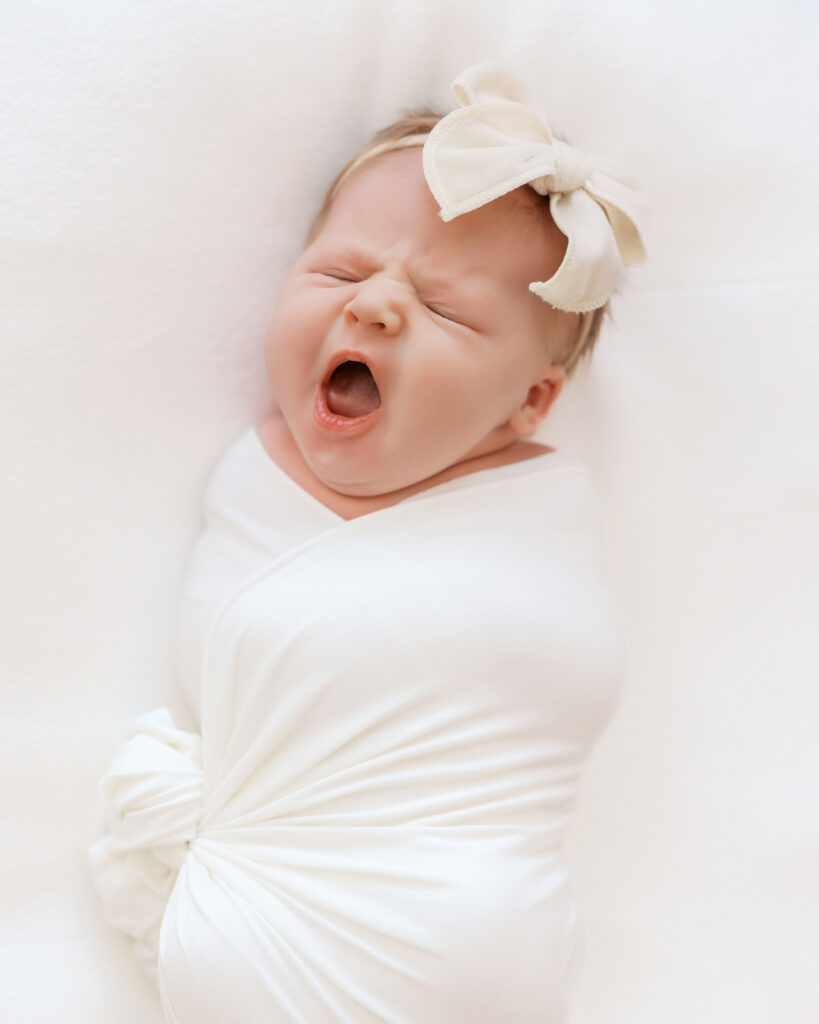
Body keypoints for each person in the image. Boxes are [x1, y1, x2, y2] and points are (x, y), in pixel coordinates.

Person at [88, 62, 647, 1023]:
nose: (376, 305)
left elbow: (554, 667)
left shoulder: (540, 519)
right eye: (339, 273)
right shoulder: (255, 487)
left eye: (446, 311)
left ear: (530, 402)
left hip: (491, 937)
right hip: (261, 927)